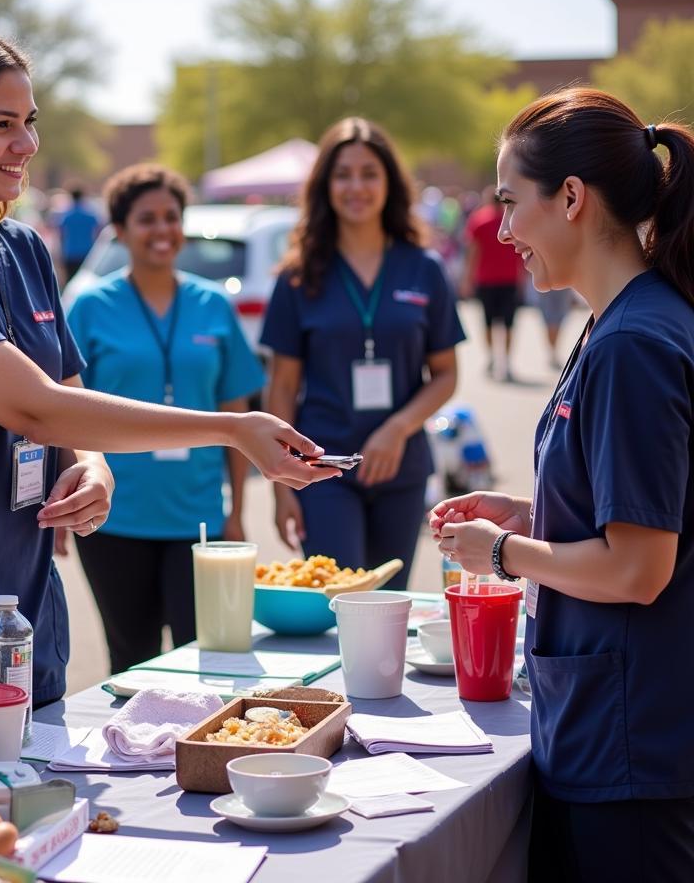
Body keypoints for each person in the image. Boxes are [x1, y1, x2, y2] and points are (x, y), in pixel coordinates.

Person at [0, 20, 336, 776]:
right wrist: (232, 429)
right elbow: (34, 406)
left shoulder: (21, 250)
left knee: (31, 838)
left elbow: (70, 408)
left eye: (30, 122)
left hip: (19, 610)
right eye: (1, 125)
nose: (26, 145)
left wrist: (96, 470)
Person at [431, 88, 694, 883]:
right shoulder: (618, 323)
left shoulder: (634, 343)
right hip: (617, 731)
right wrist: (531, 510)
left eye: (512, 205)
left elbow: (637, 569)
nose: (503, 231)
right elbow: (633, 504)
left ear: (571, 199)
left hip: (631, 748)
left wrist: (504, 550)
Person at [65, 163, 264, 674]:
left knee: (209, 661)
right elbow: (61, 410)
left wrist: (236, 510)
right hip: (114, 517)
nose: (162, 230)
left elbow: (236, 411)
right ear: (121, 230)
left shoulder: (214, 304)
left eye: (171, 217)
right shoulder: (89, 306)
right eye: (147, 219)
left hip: (198, 518)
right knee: (132, 663)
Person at [261, 117, 464, 590]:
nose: (357, 186)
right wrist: (280, 485)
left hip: (402, 467)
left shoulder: (424, 268)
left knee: (389, 606)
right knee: (343, 602)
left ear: (389, 182)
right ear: (325, 186)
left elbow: (446, 374)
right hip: (323, 467)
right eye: (343, 174)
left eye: (369, 173)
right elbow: (284, 385)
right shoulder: (297, 276)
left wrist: (397, 428)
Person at [462, 184, 524, 380]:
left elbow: (473, 253)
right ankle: (504, 361)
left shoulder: (479, 219)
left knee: (489, 322)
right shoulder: (511, 221)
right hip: (507, 279)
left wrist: (467, 278)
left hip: (488, 279)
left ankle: (494, 358)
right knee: (508, 323)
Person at [58, 183, 101, 280]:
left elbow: (61, 235)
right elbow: (98, 233)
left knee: (71, 282)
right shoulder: (90, 215)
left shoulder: (66, 216)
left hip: (70, 253)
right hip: (87, 253)